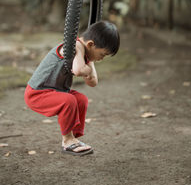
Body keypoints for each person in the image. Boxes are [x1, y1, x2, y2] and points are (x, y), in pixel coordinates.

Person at [24, 21, 120, 156]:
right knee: (69, 100)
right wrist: (87, 68)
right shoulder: (73, 46)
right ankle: (67, 141)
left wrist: (90, 63)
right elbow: (78, 70)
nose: (102, 59)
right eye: (102, 55)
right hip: (37, 93)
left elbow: (93, 82)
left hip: (54, 91)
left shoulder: (86, 53)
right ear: (91, 44)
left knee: (81, 100)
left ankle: (74, 138)